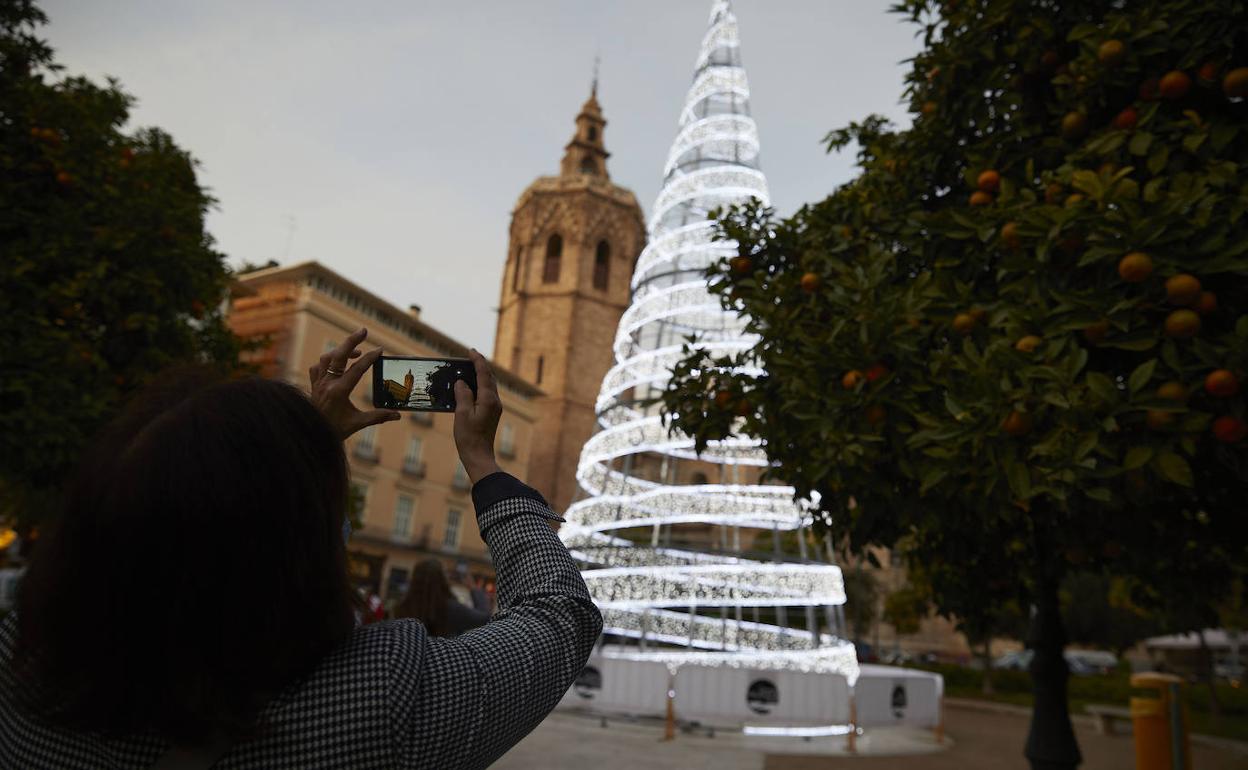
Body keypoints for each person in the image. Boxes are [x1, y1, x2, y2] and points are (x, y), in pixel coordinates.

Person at [0, 329, 602, 769]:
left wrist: (305, 447)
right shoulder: (380, 704)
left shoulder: (24, 659)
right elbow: (560, 615)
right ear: (297, 556)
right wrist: (483, 464)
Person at [395, 558, 490, 637]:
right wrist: (474, 588)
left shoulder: (402, 607)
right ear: (442, 579)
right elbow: (484, 617)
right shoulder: (451, 608)